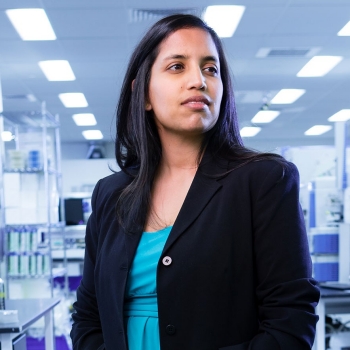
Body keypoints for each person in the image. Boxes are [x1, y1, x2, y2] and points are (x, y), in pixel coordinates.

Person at [70, 14, 320, 350]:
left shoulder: (264, 181)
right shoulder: (111, 193)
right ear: (143, 93)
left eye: (210, 68)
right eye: (177, 67)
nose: (199, 81)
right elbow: (88, 316)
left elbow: (290, 326)